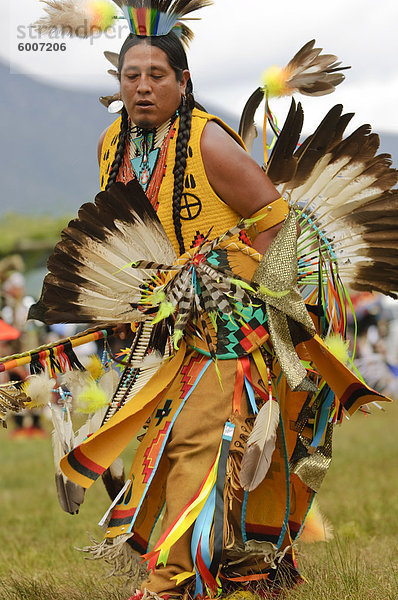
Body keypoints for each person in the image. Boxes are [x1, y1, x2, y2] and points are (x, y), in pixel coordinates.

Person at [26, 2, 394, 599]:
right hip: (171, 326)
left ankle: (171, 581)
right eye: (131, 76)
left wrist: (256, 298)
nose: (143, 87)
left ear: (183, 82)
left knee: (205, 439)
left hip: (233, 321)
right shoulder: (113, 144)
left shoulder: (209, 142)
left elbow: (277, 220)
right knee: (181, 446)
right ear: (118, 83)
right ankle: (254, 568)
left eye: (157, 76)